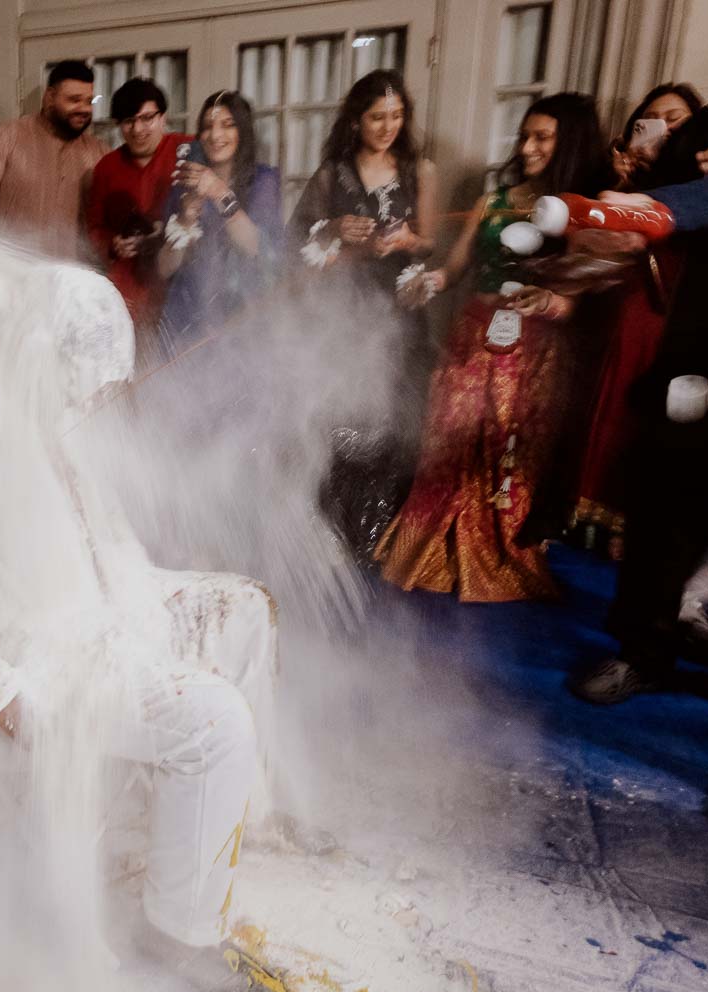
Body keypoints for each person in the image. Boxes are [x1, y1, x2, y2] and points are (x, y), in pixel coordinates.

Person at [0, 264, 285, 992]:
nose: (89, 404)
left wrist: (140, 591)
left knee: (244, 608)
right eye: (85, 389)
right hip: (27, 646)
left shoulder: (33, 364)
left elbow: (80, 507)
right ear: (49, 352)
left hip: (92, 603)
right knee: (216, 721)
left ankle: (205, 826)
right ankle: (180, 931)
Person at [570, 0, 708, 843]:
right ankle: (645, 647)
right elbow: (643, 222)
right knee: (662, 510)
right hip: (701, 353)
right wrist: (594, 237)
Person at [374, 93, 606, 601]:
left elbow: (574, 301)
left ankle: (496, 553)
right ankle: (431, 549)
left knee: (506, 449)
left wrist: (544, 301)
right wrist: (428, 282)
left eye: (542, 137)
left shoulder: (581, 212)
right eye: (525, 135)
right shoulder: (494, 200)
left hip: (534, 347)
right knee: (447, 437)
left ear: (569, 143)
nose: (527, 147)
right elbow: (455, 268)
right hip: (473, 331)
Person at [290, 70, 437, 559]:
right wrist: (334, 227)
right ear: (355, 119)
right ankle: (335, 537)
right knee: (343, 418)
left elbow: (431, 240)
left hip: (402, 311)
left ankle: (382, 541)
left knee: (398, 422)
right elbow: (299, 246)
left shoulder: (421, 172)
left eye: (397, 116)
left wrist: (405, 241)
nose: (388, 126)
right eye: (377, 116)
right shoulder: (332, 175)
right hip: (342, 314)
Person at [571, 84, 701, 554]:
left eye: (677, 118)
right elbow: (584, 248)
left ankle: (643, 524)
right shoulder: (622, 184)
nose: (664, 128)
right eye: (652, 119)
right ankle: (597, 514)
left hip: (688, 308)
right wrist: (624, 188)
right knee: (616, 399)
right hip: (632, 304)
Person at [155, 91, 284, 352]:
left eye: (228, 125)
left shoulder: (262, 180)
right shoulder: (184, 185)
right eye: (207, 127)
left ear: (243, 132)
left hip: (244, 319)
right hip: (187, 320)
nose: (216, 136)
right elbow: (164, 269)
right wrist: (185, 219)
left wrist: (219, 193)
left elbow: (260, 250)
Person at [0, 61, 109, 260]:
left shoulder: (98, 151)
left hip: (72, 278)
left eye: (89, 101)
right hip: (13, 273)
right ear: (50, 97)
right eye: (74, 99)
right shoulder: (10, 137)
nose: (84, 109)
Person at [84, 78, 188, 339]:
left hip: (182, 285)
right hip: (129, 291)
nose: (138, 129)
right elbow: (95, 227)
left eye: (147, 118)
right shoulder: (107, 167)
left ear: (162, 118)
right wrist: (113, 244)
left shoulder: (187, 150)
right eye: (129, 121)